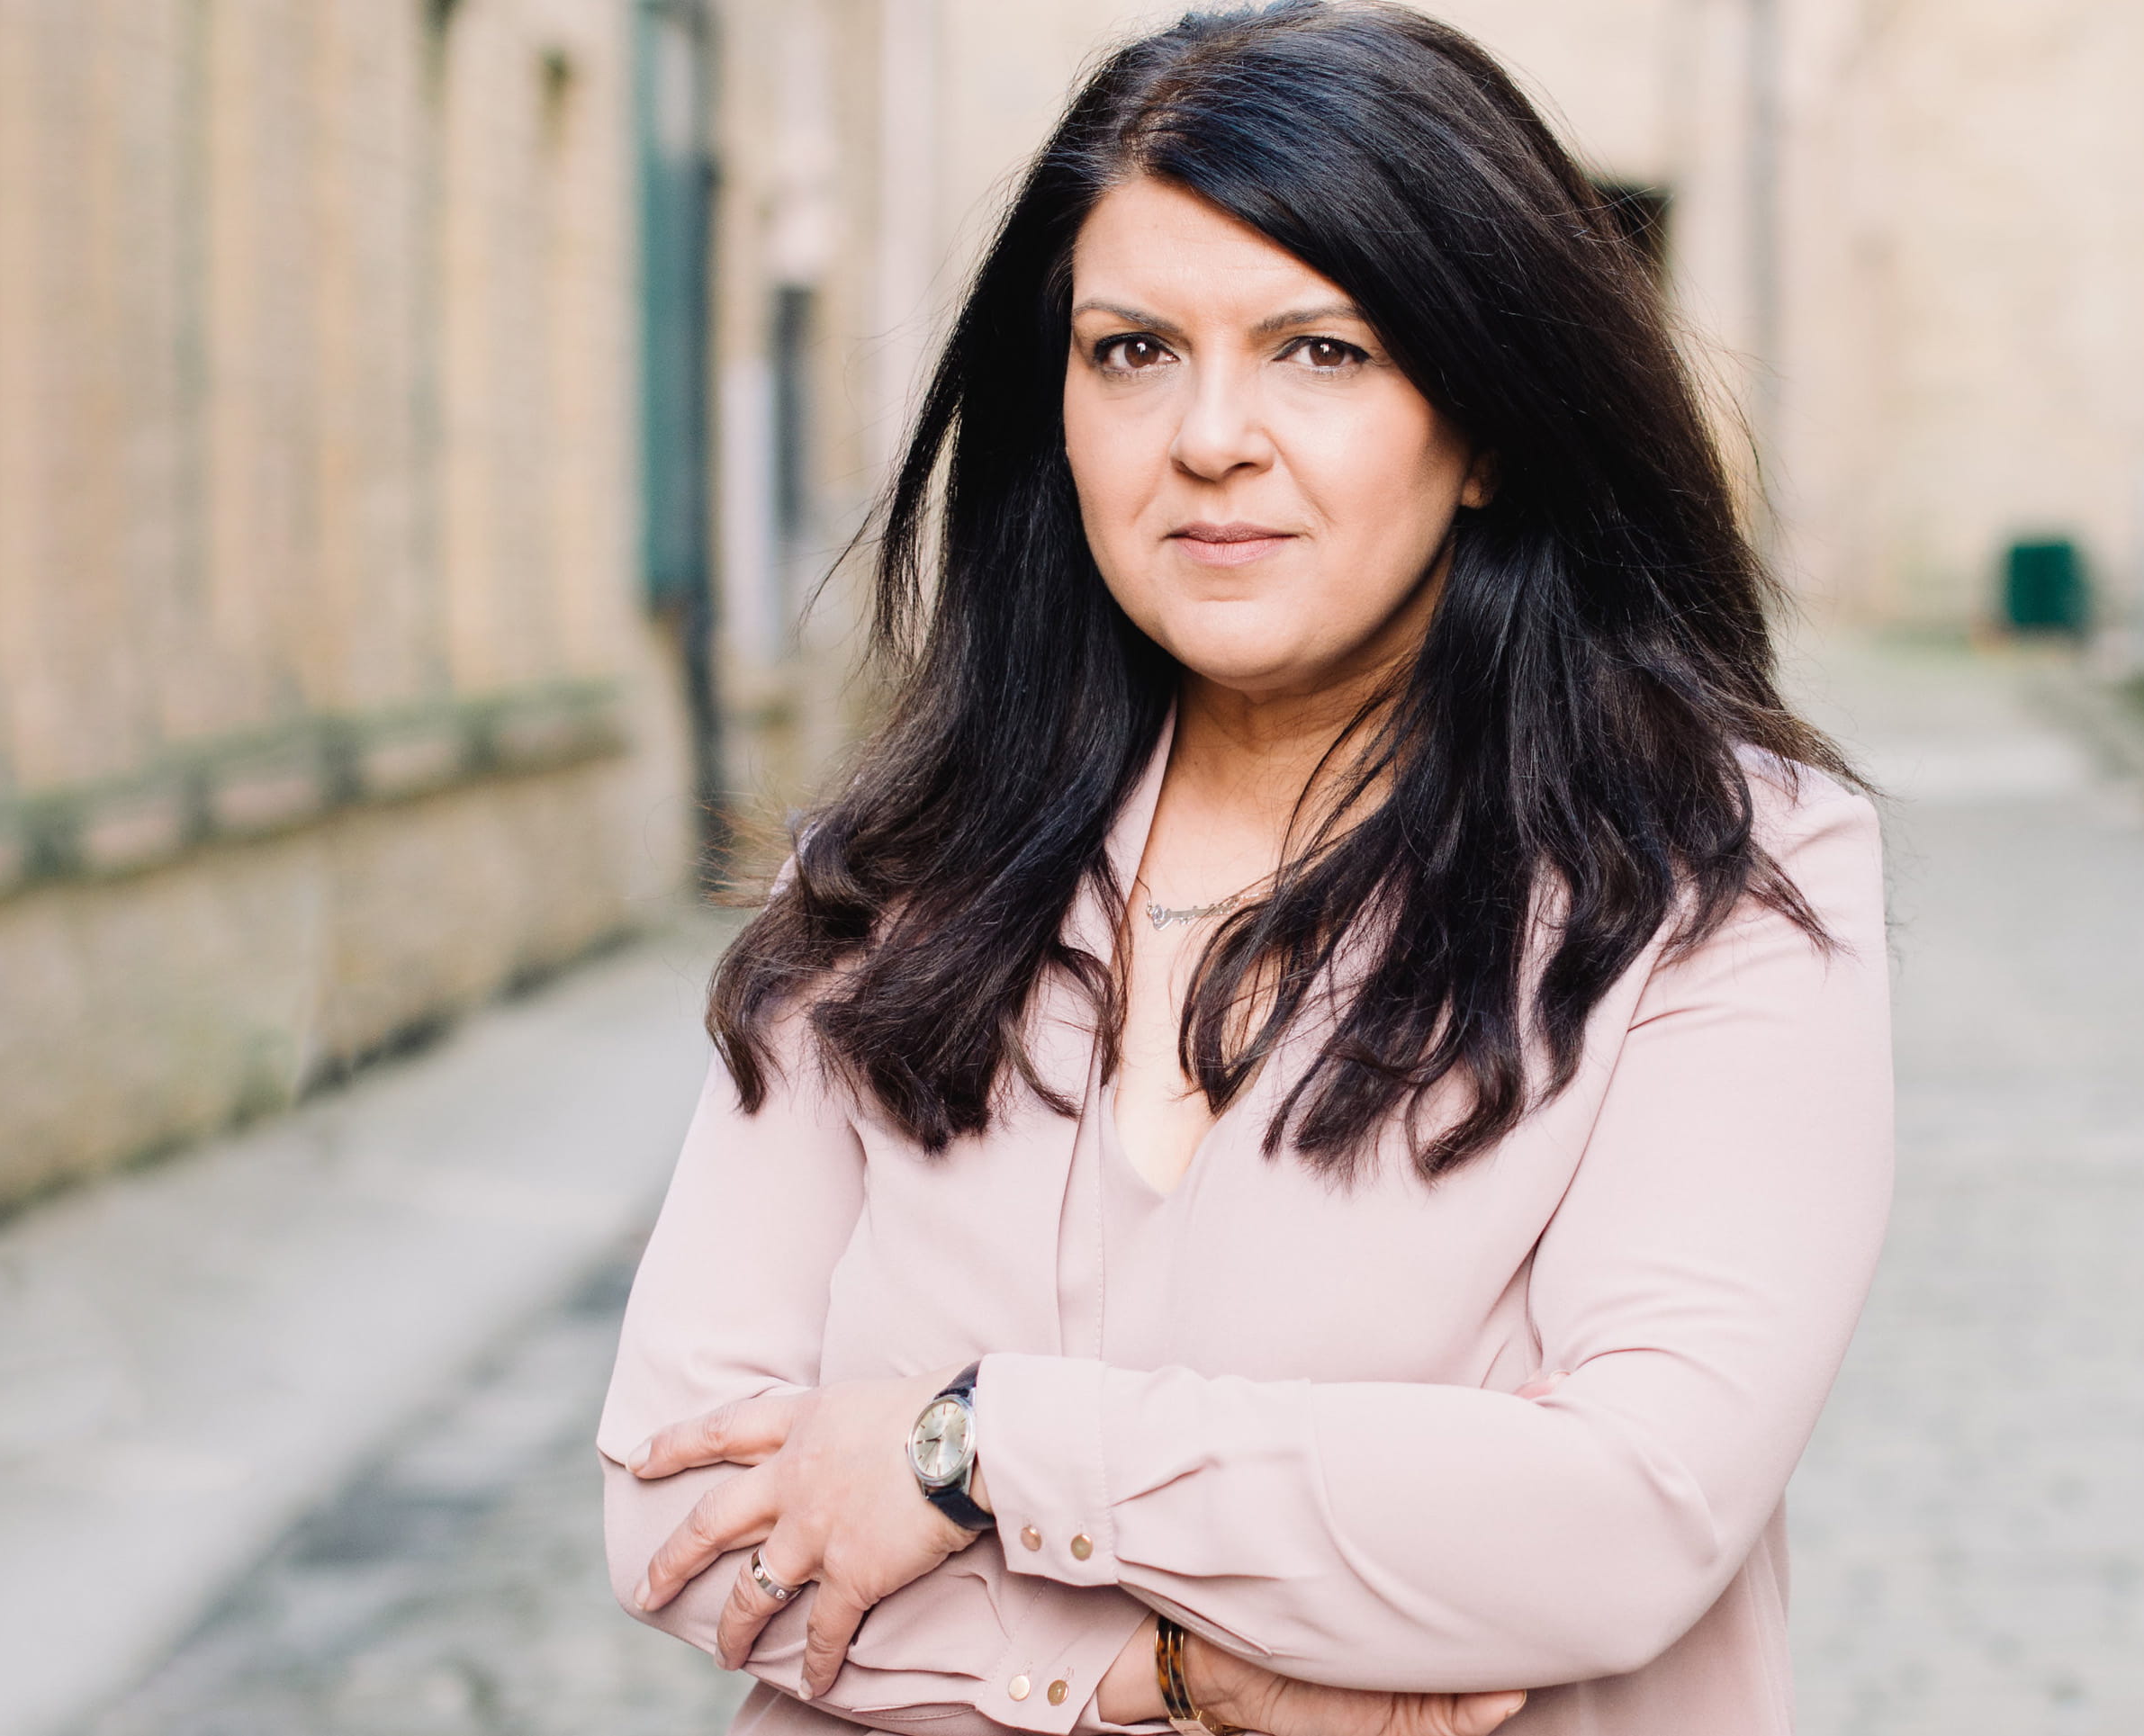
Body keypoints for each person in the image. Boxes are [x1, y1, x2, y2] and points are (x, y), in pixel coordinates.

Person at [598, 4, 1893, 1732]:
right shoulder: (888, 884)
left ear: (1488, 422)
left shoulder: (1713, 883)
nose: (1210, 435)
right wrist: (1195, 1674)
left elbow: (1620, 1516)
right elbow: (683, 1517)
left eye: (1323, 351)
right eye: (1133, 349)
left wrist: (973, 1442)